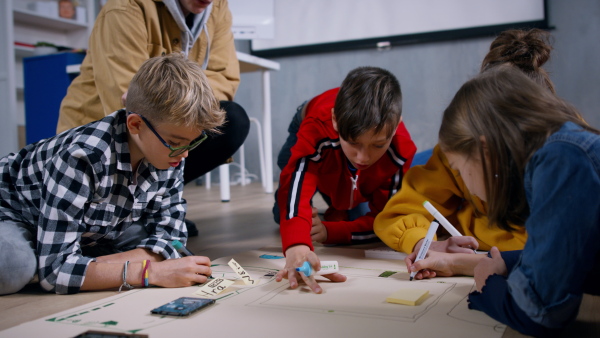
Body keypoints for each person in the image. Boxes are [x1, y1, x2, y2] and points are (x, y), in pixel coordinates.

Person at [0, 53, 222, 295]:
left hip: (89, 228)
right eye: (176, 142)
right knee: (14, 267)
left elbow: (171, 238)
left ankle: (76, 260)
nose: (185, 154)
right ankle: (62, 260)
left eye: (192, 142)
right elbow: (55, 275)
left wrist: (85, 268)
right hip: (14, 212)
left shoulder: (171, 151)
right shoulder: (83, 156)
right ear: (135, 125)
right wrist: (149, 272)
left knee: (145, 237)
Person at [432, 65, 600, 336]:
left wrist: (487, 284)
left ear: (484, 150)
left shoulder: (561, 161)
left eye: (458, 167)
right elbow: (576, 253)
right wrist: (506, 263)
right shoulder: (562, 150)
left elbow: (539, 314)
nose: (465, 182)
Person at [56, 0, 250, 235]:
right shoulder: (126, 6)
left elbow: (225, 78)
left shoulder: (217, 8)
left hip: (158, 119)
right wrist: (188, 89)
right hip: (107, 127)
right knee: (158, 132)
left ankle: (151, 209)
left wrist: (176, 92)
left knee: (230, 120)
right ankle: (125, 212)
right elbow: (130, 97)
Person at [374, 29, 555, 261]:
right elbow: (398, 214)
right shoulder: (462, 145)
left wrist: (465, 228)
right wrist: (420, 240)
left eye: (459, 169)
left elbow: (551, 247)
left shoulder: (561, 159)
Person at [274, 66, 417, 293]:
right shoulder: (318, 129)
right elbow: (295, 189)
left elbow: (387, 219)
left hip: (338, 153)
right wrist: (296, 245)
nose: (364, 157)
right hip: (307, 119)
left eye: (378, 145)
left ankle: (335, 206)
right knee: (286, 202)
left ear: (397, 125)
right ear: (335, 120)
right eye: (354, 143)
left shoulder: (400, 152)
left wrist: (331, 231)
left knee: (349, 216)